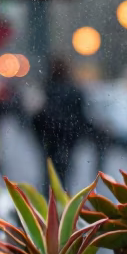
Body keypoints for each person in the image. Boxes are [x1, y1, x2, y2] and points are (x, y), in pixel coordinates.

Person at [34, 58, 89, 187]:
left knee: (50, 173)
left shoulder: (48, 89)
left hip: (51, 139)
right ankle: (62, 199)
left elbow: (38, 117)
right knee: (64, 173)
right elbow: (81, 117)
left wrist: (41, 138)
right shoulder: (73, 90)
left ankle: (52, 200)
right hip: (67, 139)